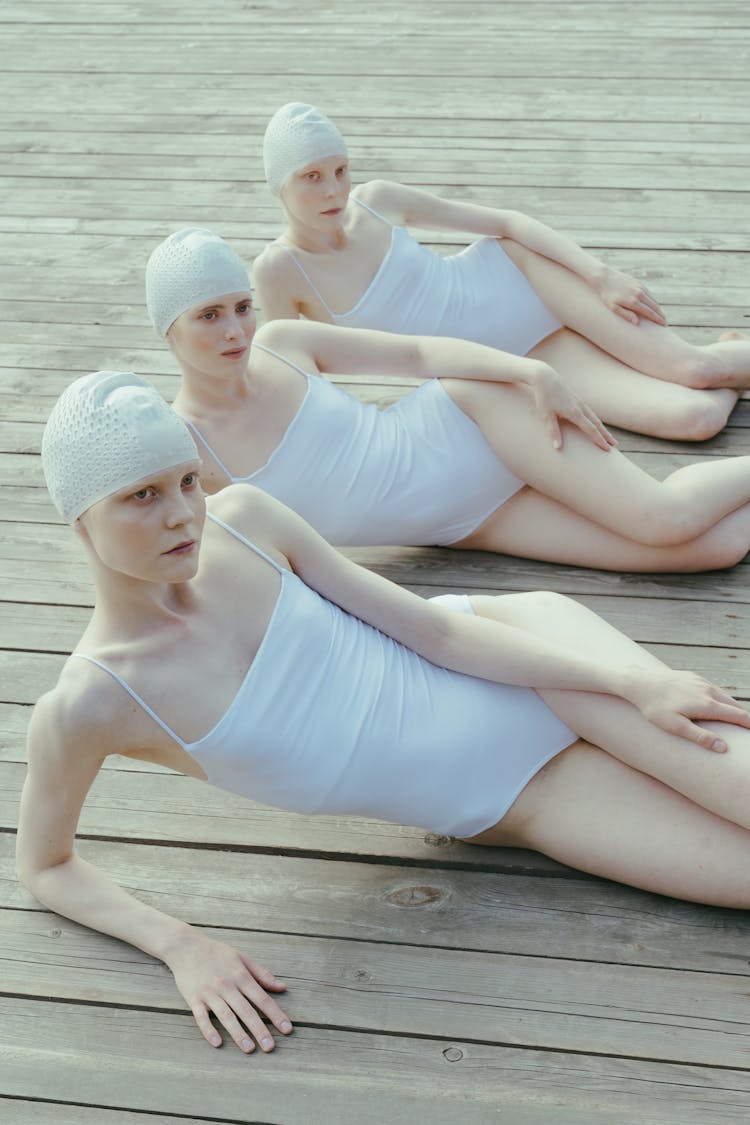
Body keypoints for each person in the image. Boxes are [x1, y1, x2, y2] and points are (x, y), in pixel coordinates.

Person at [16, 369, 750, 1057]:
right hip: (520, 798)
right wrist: (183, 945)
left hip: (544, 664)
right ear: (80, 513)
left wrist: (625, 681)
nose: (182, 513)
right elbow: (46, 865)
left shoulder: (244, 520)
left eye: (185, 481)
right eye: (142, 495)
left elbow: (437, 631)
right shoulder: (92, 701)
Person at [147, 227, 750, 573]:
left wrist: (529, 372)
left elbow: (417, 355)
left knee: (666, 520)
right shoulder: (185, 448)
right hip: (462, 525)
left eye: (242, 307)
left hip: (471, 423)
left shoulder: (283, 343)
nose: (236, 331)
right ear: (168, 329)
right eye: (209, 316)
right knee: (714, 550)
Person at [252, 102, 750, 442]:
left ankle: (716, 358)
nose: (334, 192)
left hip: (524, 283)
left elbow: (505, 223)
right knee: (696, 418)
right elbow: (299, 383)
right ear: (279, 185)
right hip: (508, 365)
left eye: (340, 170)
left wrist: (599, 275)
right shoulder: (280, 269)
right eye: (311, 177)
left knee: (696, 371)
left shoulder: (379, 201)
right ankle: (729, 352)